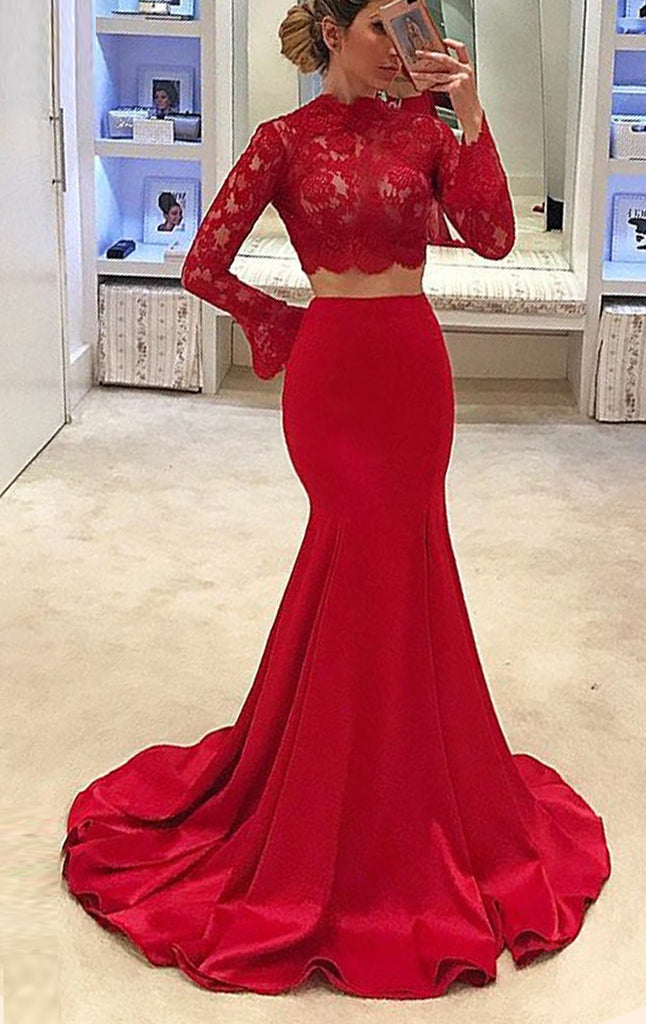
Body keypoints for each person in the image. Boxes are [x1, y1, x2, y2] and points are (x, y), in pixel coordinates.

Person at [60, 0, 612, 1001]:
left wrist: (468, 109)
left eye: (414, 28)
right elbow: (204, 261)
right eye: (384, 28)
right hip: (333, 382)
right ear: (331, 31)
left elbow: (493, 237)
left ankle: (403, 790)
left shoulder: (427, 133)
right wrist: (279, 325)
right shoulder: (283, 140)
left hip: (413, 373)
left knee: (407, 564)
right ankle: (330, 805)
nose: (403, 49)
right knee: (356, 558)